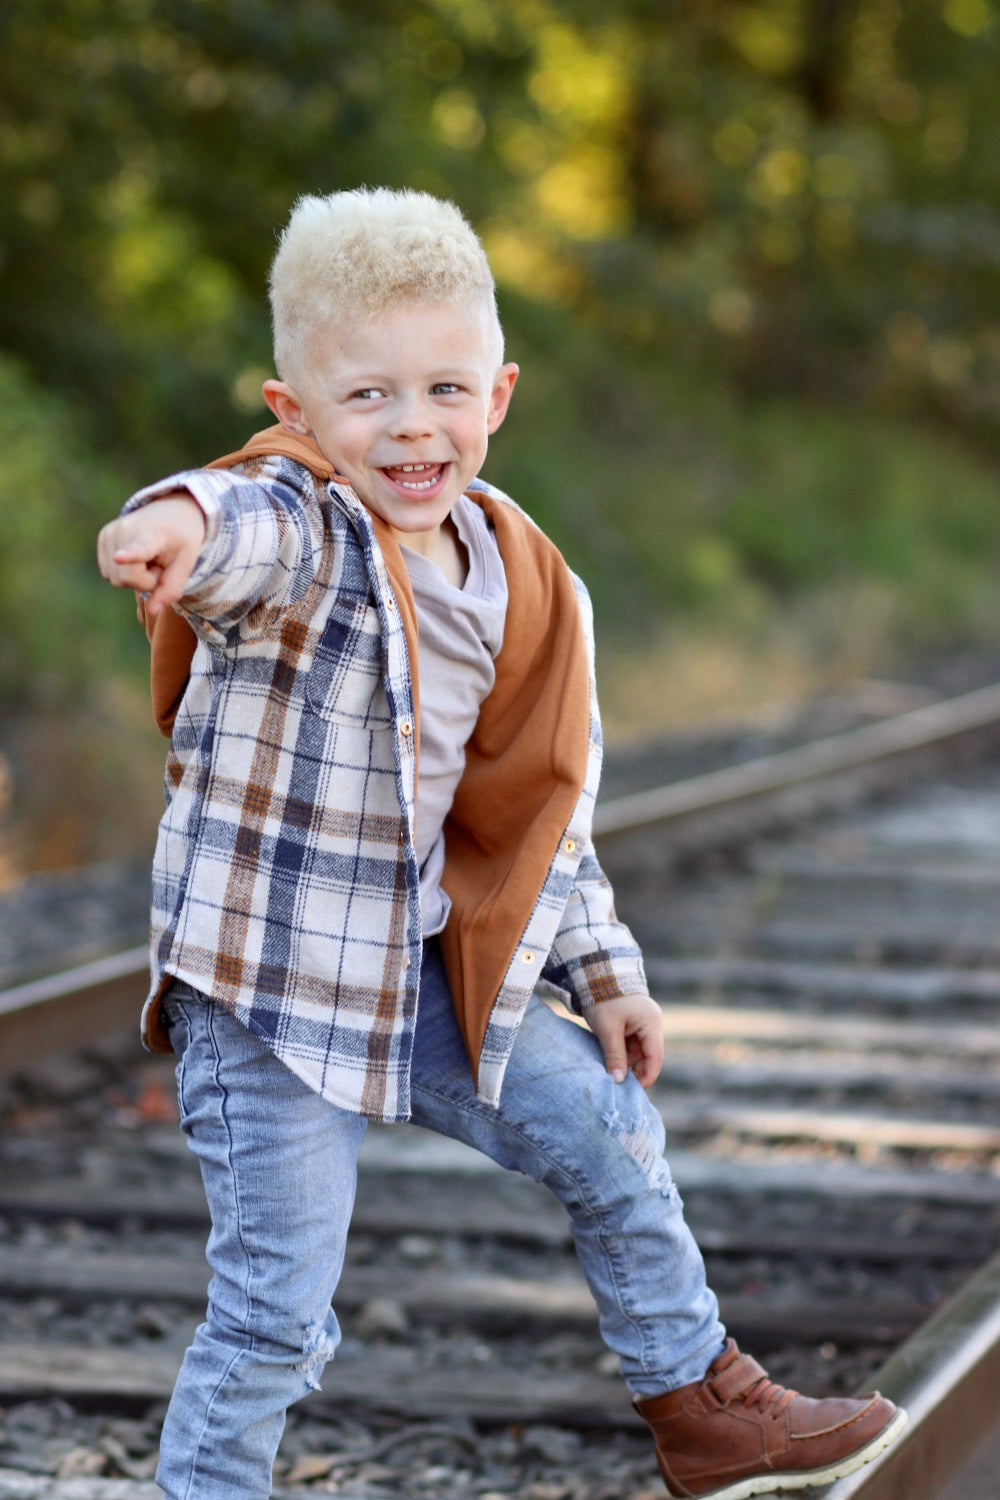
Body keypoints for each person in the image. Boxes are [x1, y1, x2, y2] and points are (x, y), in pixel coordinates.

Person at [97, 187, 906, 1500]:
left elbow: (539, 815)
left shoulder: (527, 582)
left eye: (445, 389)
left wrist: (605, 974)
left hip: (419, 973)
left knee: (607, 1123)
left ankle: (700, 1403)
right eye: (366, 399)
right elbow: (230, 523)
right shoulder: (304, 533)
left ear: (500, 394)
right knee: (276, 1318)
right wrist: (172, 532)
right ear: (295, 416)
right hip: (268, 998)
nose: (413, 424)